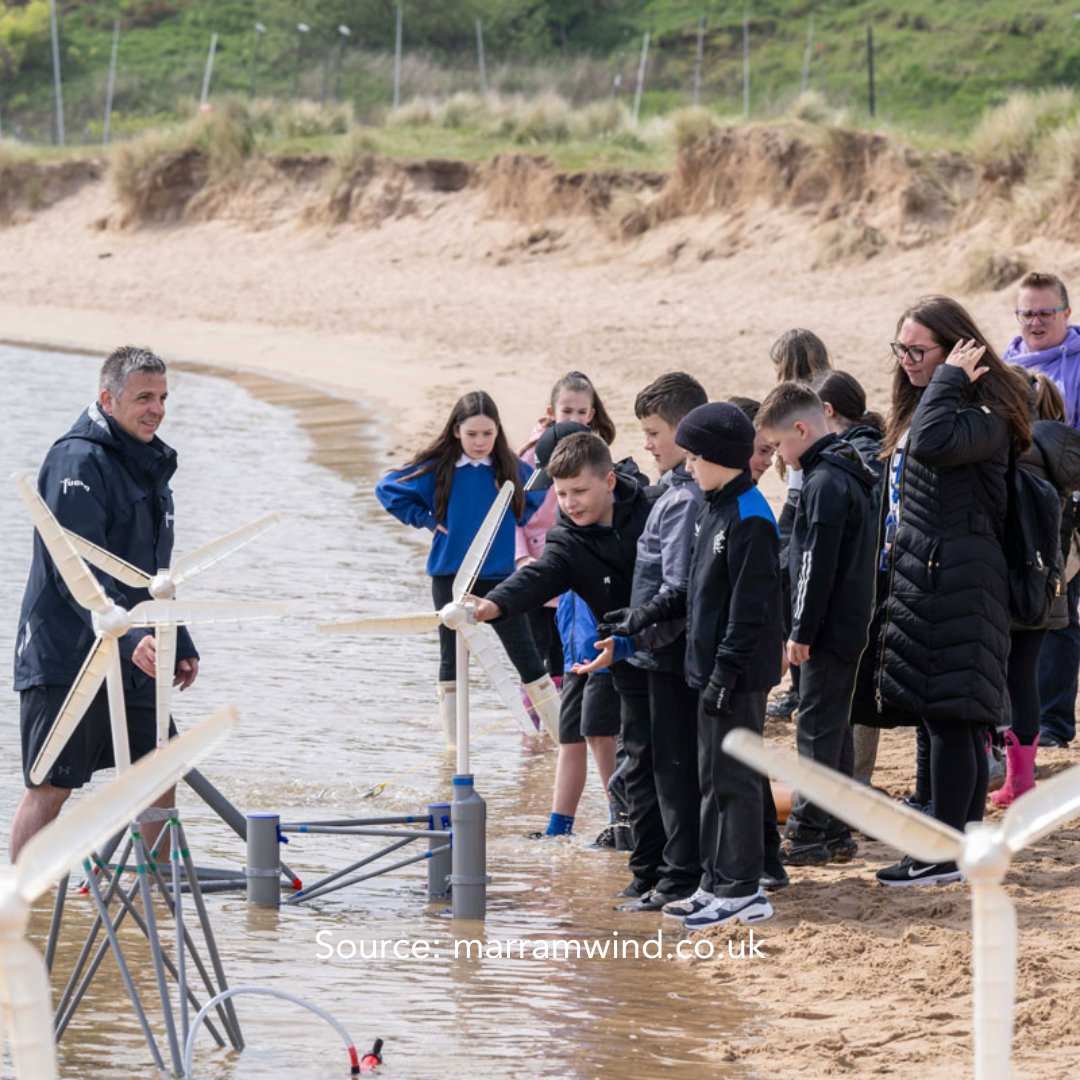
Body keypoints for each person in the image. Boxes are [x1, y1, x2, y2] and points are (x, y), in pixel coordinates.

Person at [852, 296, 1031, 886]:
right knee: (939, 716)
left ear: (959, 349)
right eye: (899, 348)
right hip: (925, 579)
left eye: (918, 350)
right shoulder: (934, 407)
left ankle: (947, 854)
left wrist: (950, 378)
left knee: (956, 718)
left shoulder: (983, 415)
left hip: (961, 581)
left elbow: (931, 443)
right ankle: (948, 838)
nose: (905, 360)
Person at [11, 346, 199, 860]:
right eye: (144, 397)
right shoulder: (76, 460)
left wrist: (178, 637)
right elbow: (80, 568)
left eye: (162, 397)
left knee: (161, 767)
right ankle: (20, 909)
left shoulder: (152, 462)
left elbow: (156, 570)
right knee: (51, 785)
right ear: (107, 399)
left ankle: (152, 895)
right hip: (67, 654)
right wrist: (135, 637)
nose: (156, 409)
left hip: (133, 649)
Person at [600, 403, 783, 927]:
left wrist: (725, 674)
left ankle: (744, 890)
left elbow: (750, 613)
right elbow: (689, 592)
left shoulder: (750, 518)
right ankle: (714, 882)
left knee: (735, 781)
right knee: (709, 779)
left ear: (722, 458)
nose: (687, 466)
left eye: (696, 457)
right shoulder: (711, 505)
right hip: (704, 669)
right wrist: (641, 616)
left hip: (737, 675)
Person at [468, 433, 654, 898]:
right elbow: (541, 574)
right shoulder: (567, 536)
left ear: (610, 481)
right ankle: (640, 850)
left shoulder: (651, 510)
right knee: (628, 750)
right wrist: (493, 605)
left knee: (659, 753)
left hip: (665, 646)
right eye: (562, 494)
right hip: (613, 654)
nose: (570, 503)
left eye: (580, 492)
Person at [575, 373, 710, 912]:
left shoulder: (682, 498)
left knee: (671, 772)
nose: (648, 443)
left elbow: (677, 589)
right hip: (650, 651)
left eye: (654, 432)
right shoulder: (673, 491)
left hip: (669, 654)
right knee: (656, 767)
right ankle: (656, 871)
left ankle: (676, 878)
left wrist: (631, 624)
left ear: (685, 430)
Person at [375, 391, 552, 746]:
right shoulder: (440, 467)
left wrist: (512, 520)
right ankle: (453, 751)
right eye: (472, 434)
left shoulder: (507, 467)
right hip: (450, 577)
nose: (480, 442)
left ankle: (562, 741)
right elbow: (387, 488)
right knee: (451, 661)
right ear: (457, 431)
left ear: (497, 431)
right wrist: (424, 519)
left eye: (488, 433)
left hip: (501, 578)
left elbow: (539, 489)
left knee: (528, 659)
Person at [756, 383, 878, 865]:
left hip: (825, 628)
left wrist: (800, 632)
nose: (780, 458)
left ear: (802, 430)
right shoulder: (851, 468)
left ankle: (808, 831)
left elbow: (814, 563)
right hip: (848, 622)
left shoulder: (825, 482)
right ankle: (832, 830)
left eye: (779, 446)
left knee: (815, 728)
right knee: (833, 727)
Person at [993, 369, 1080, 805]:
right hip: (1051, 586)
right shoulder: (1058, 455)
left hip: (1008, 586)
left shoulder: (1013, 455)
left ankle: (1008, 778)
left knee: (997, 682)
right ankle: (1021, 781)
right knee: (1024, 680)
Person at [1002, 271, 1080, 747]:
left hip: (1070, 509)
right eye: (1026, 313)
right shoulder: (1007, 361)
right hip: (1019, 507)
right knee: (1025, 613)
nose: (1034, 322)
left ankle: (1054, 723)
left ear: (1066, 314)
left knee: (1062, 614)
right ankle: (1020, 724)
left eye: (1044, 313)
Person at [516, 373, 618, 694]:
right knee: (534, 653)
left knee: (568, 647)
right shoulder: (530, 457)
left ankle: (562, 721)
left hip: (575, 570)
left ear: (591, 415)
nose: (574, 418)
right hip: (536, 566)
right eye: (566, 411)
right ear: (551, 412)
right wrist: (521, 559)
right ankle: (536, 732)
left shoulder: (595, 455)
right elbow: (511, 515)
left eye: (581, 412)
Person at [812, 369, 886, 786]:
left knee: (853, 692)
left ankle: (852, 786)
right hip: (872, 584)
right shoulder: (872, 449)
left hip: (863, 588)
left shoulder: (854, 457)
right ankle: (853, 782)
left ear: (827, 410)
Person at [766, 329, 833, 723]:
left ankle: (797, 688)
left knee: (794, 591)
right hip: (803, 497)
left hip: (801, 500)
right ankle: (798, 686)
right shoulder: (827, 392)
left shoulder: (798, 403)